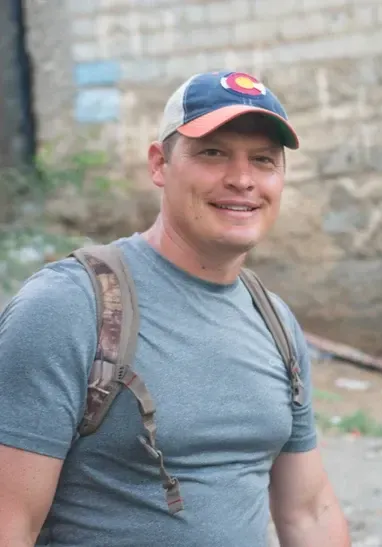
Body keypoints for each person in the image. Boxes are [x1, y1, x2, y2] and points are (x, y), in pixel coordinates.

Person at [0, 70, 351, 546]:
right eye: (213, 153)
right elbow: (9, 522)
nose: (242, 179)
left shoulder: (275, 323)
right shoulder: (70, 307)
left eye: (263, 161)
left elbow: (309, 513)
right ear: (159, 164)